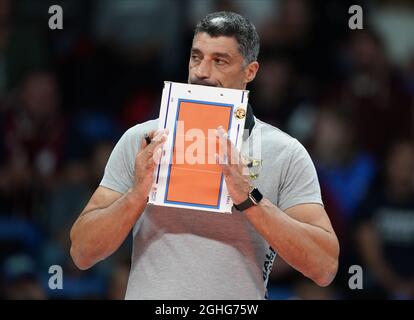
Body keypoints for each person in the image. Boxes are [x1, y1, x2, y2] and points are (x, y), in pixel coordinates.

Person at [70, 11, 339, 300]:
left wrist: (248, 197)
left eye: (219, 61)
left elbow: (323, 267)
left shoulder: (285, 153)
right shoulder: (142, 140)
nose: (201, 72)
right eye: (196, 57)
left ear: (250, 71)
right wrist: (137, 194)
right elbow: (82, 252)